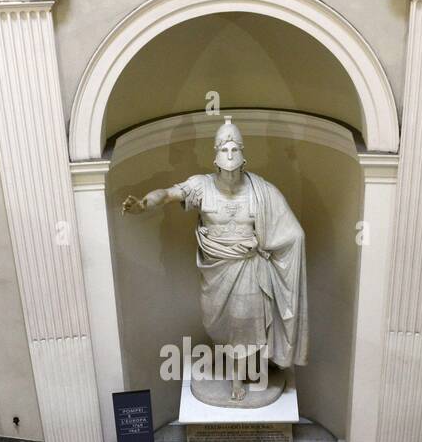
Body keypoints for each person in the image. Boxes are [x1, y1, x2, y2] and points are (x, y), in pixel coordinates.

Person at [121, 117, 307, 402]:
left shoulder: (263, 192)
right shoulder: (201, 186)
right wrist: (146, 203)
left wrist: (272, 249)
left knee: (244, 320)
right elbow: (168, 194)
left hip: (249, 267)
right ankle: (247, 367)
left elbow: (293, 233)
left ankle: (238, 377)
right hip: (216, 271)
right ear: (215, 156)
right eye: (224, 150)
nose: (230, 156)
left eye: (234, 150)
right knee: (221, 325)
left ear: (244, 154)